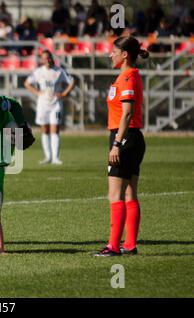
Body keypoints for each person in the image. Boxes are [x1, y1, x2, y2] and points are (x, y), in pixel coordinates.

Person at [94, 36, 148, 257]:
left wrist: (116, 144)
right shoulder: (126, 76)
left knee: (114, 194)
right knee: (129, 193)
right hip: (131, 138)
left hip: (124, 137)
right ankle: (130, 245)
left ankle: (114, 246)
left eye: (113, 51)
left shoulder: (128, 77)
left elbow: (127, 113)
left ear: (124, 54)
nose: (110, 54)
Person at [24, 50, 74, 165]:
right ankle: (48, 157)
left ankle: (56, 158)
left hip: (56, 104)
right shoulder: (38, 72)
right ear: (41, 60)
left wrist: (64, 93)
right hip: (43, 104)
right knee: (45, 129)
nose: (47, 60)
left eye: (49, 58)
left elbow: (71, 81)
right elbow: (27, 83)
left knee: (55, 129)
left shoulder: (59, 71)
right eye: (44, 58)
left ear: (52, 58)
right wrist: (37, 92)